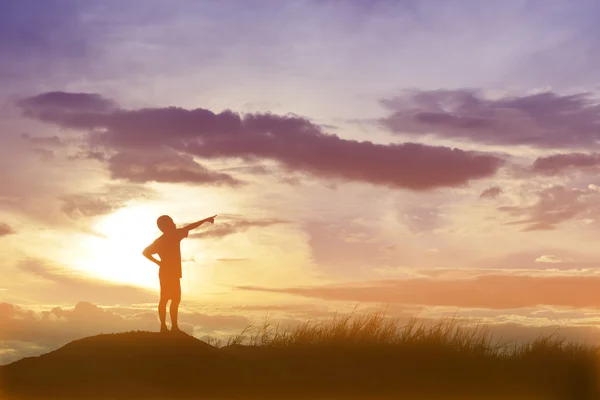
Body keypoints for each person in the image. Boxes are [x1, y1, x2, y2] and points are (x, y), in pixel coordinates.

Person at [142, 214, 216, 333]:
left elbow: (145, 252)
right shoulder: (172, 236)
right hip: (168, 273)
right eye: (171, 222)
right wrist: (159, 263)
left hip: (170, 272)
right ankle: (168, 327)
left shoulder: (163, 239)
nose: (174, 223)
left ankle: (170, 327)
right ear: (165, 226)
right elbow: (190, 227)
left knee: (171, 299)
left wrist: (159, 263)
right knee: (169, 299)